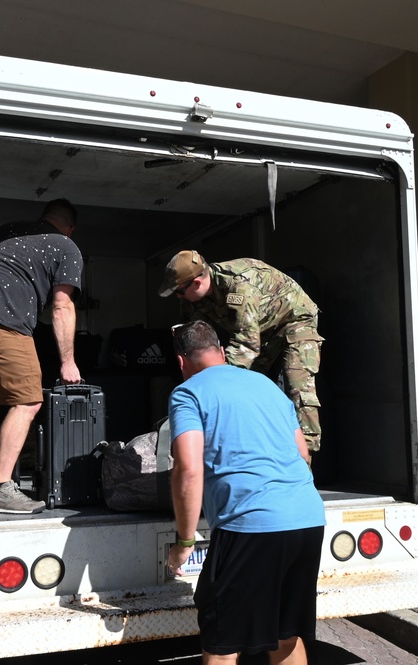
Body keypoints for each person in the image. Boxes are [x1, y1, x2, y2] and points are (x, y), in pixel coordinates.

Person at [167, 320, 325, 664]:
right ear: (222, 352)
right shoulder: (266, 385)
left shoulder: (189, 392)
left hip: (250, 527)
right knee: (286, 636)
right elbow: (303, 454)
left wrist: (185, 543)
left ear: (181, 363)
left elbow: (188, 469)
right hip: (308, 519)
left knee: (223, 645)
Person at [0, 198, 84, 514]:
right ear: (71, 227)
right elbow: (62, 306)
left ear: (44, 217)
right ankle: (1, 487)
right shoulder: (67, 246)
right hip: (1, 317)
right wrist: (68, 362)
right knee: (28, 401)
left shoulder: (8, 230)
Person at [159, 250, 324, 458]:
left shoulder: (239, 286)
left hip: (294, 321)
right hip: (260, 331)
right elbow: (201, 343)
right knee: (247, 388)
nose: (178, 296)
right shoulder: (195, 300)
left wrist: (216, 382)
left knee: (297, 386)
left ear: (197, 283)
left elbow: (247, 343)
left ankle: (305, 460)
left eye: (179, 291)